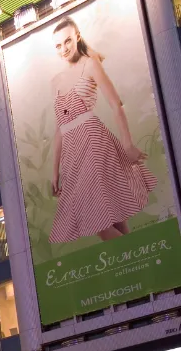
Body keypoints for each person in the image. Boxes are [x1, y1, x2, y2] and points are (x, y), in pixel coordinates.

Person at [48, 17, 156, 244]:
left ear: (77, 37)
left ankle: (135, 260)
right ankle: (137, 264)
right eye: (58, 45)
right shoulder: (56, 81)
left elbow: (116, 104)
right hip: (71, 153)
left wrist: (127, 145)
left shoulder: (90, 64)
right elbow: (60, 128)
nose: (64, 49)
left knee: (94, 217)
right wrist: (55, 171)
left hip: (93, 142)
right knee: (110, 214)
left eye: (67, 41)